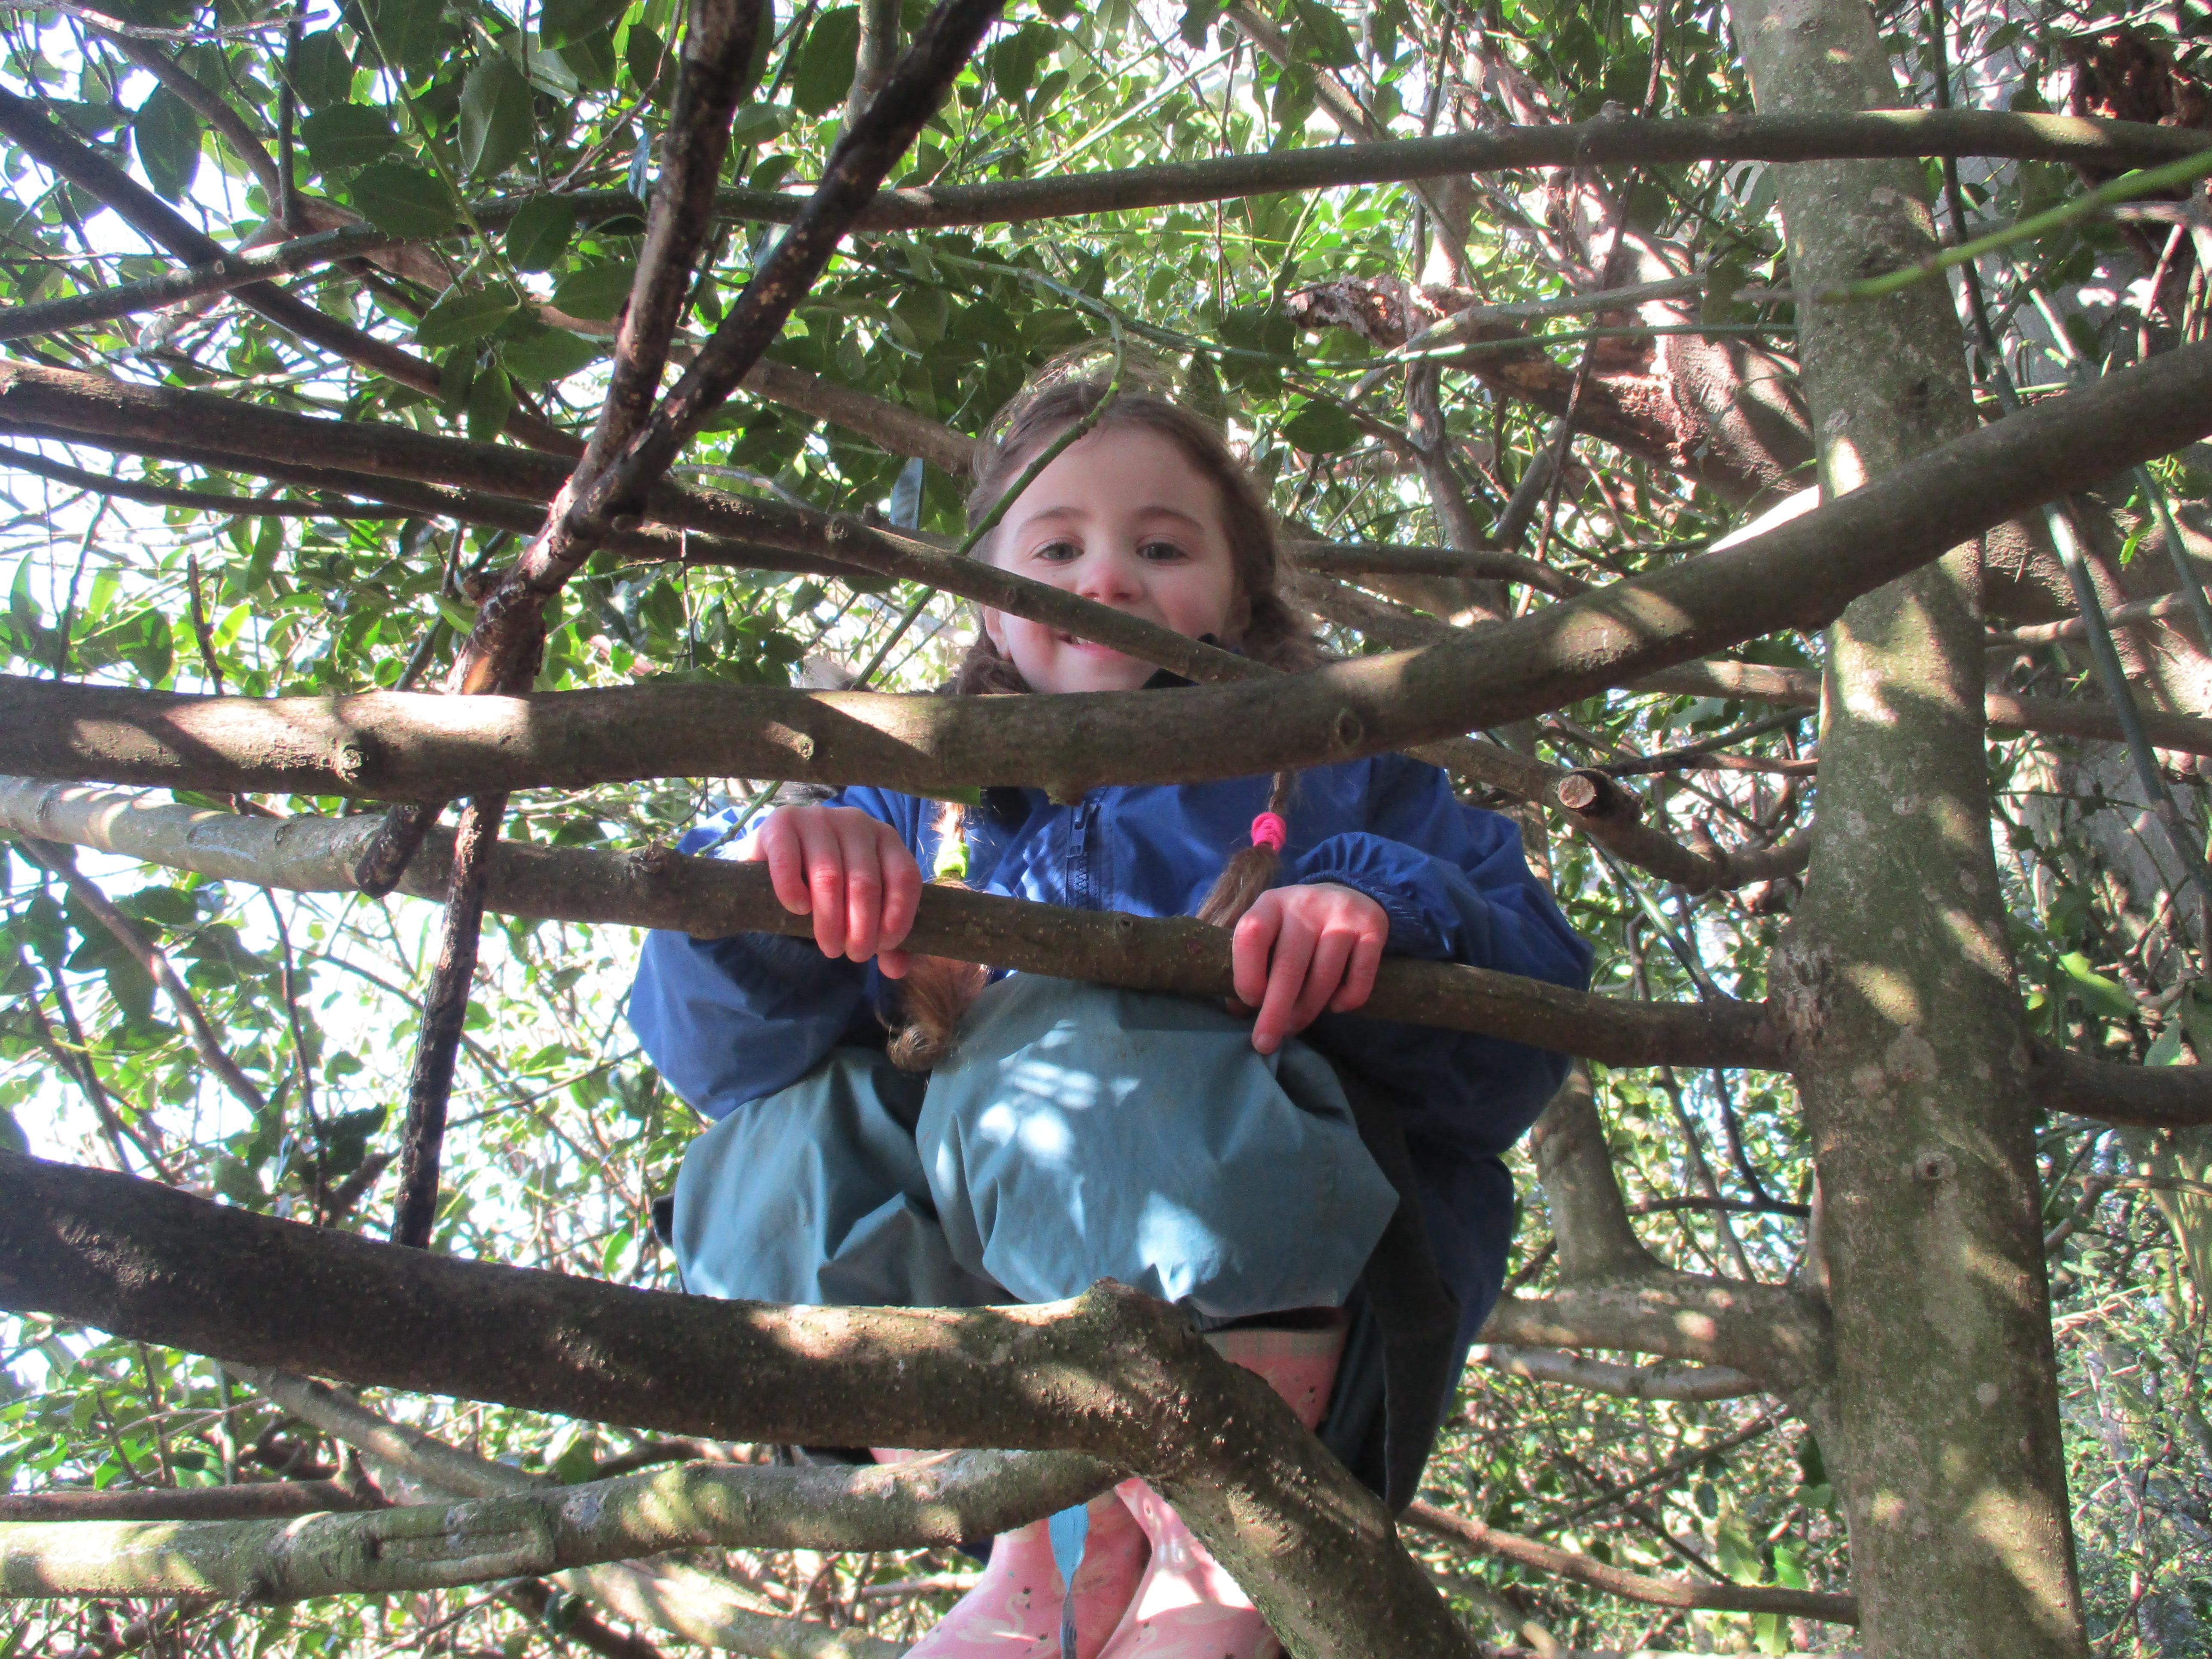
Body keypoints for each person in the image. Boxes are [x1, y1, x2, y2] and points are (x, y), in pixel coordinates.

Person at [628, 354, 1593, 1659]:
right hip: (1014, 1391)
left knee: (1060, 1041)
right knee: (768, 1150)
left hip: (1298, 1314)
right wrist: (766, 885)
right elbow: (720, 1063)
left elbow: (1525, 1030)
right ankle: (1046, 1548)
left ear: (1239, 591)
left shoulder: (1334, 773)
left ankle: (1216, 1551)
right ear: (989, 600)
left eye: (1160, 546)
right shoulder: (910, 794)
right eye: (1056, 549)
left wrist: (1381, 913)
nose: (1105, 580)